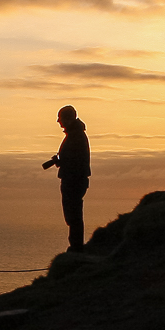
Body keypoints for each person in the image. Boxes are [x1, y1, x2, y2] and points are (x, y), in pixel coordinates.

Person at [44, 105, 90, 253]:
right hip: (74, 179)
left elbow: (75, 161)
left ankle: (76, 247)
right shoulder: (74, 135)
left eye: (60, 118)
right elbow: (74, 158)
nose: (58, 121)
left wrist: (60, 161)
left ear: (68, 119)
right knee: (72, 214)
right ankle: (76, 246)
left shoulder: (76, 136)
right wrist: (60, 161)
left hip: (73, 181)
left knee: (73, 214)